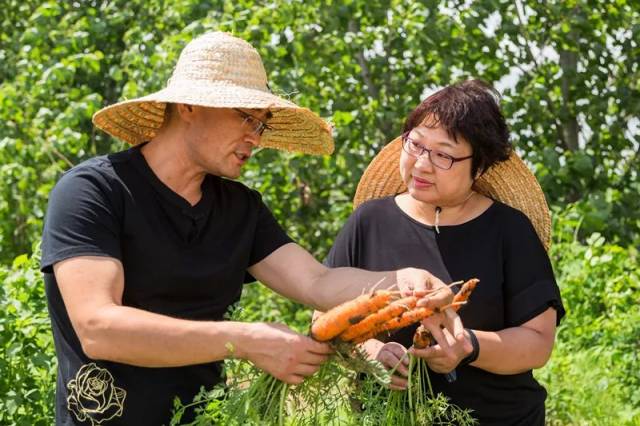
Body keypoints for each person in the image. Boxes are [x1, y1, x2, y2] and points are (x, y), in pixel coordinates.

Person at [40, 32, 453, 425]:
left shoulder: (239, 208)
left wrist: (401, 281)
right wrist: (246, 340)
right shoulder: (94, 192)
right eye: (246, 119)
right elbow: (98, 328)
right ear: (188, 107)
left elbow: (317, 281)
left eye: (261, 124)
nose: (255, 138)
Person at [324, 79, 565, 425]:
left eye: (443, 156)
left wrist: (468, 346)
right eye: (416, 145)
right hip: (386, 416)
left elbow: (538, 343)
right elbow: (325, 316)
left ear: (479, 167)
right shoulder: (370, 221)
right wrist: (371, 352)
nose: (422, 164)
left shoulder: (509, 231)